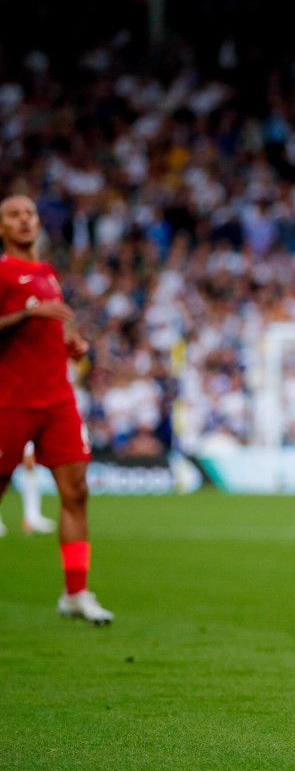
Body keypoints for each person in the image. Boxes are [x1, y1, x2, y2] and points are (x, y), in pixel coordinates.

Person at [0, 194, 113, 624]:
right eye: (14, 215)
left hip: (57, 399)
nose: (25, 220)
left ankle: (76, 592)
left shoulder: (47, 272)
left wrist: (70, 343)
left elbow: (50, 323)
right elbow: (27, 320)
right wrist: (28, 316)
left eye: (30, 213)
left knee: (76, 492)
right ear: (2, 228)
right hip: (10, 400)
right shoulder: (3, 271)